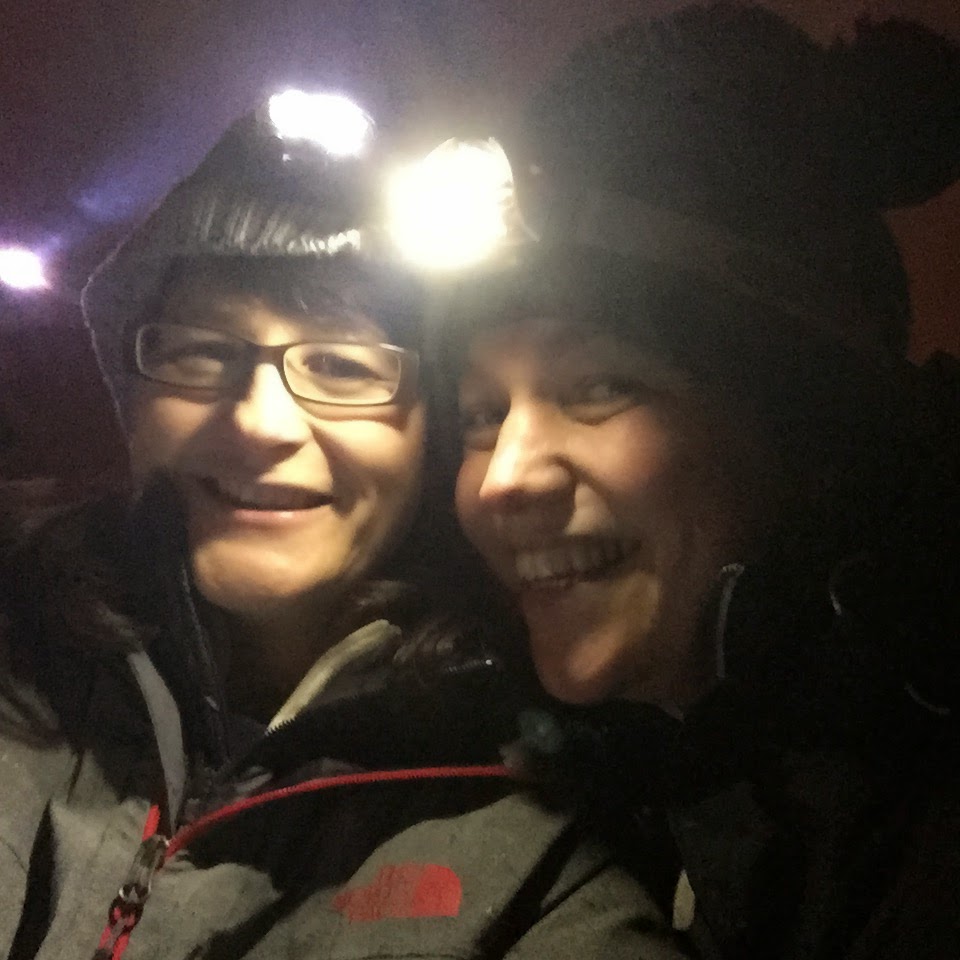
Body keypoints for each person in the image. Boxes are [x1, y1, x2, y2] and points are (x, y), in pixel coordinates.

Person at [0, 91, 687, 959]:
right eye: (202, 352)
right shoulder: (17, 656)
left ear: (434, 438)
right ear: (133, 403)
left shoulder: (541, 846)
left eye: (342, 365)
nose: (260, 422)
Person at [425, 6, 960, 958]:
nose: (503, 479)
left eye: (599, 387)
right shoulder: (571, 777)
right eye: (480, 412)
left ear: (807, 427)